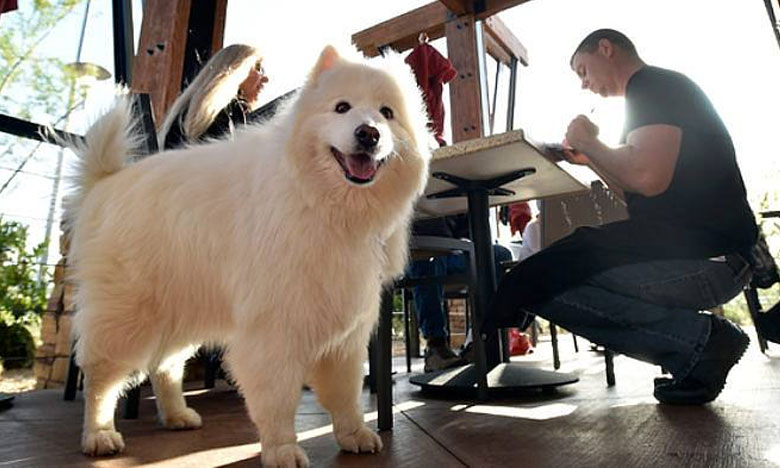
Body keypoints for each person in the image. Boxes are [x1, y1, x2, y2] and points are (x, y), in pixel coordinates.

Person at [486, 29, 758, 405]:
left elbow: (647, 179)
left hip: (709, 259)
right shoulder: (652, 95)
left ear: (606, 49)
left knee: (545, 279)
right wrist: (594, 157)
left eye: (583, 70)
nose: (584, 84)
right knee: (549, 271)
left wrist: (589, 141)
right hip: (707, 256)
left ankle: (699, 342)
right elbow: (638, 197)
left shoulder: (653, 85)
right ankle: (698, 348)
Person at [410, 214, 514, 372]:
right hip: (413, 252)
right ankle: (435, 345)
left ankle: (479, 338)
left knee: (499, 255)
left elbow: (468, 233)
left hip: (451, 254)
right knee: (429, 256)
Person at [158, 43, 268, 150]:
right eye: (258, 68)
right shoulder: (229, 112)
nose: (265, 79)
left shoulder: (183, 115)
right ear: (238, 69)